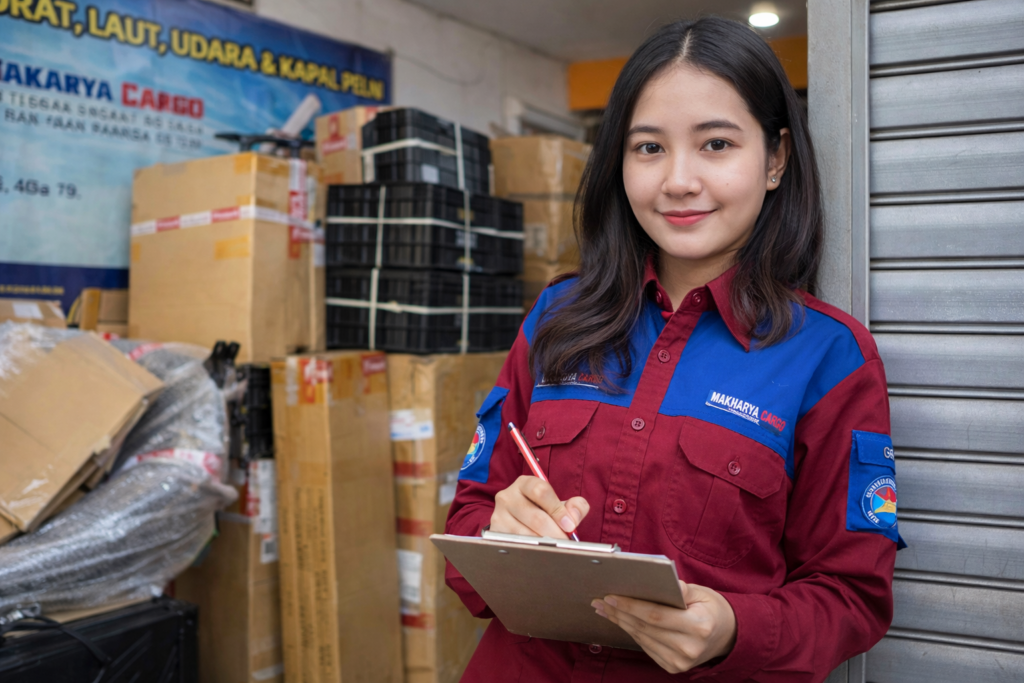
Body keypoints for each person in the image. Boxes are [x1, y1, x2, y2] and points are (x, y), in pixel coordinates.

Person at [445, 16, 902, 683]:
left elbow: (853, 597)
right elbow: (466, 524)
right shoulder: (557, 316)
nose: (678, 180)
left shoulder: (831, 357)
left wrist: (734, 628)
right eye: (649, 148)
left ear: (776, 159)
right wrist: (498, 532)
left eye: (716, 144)